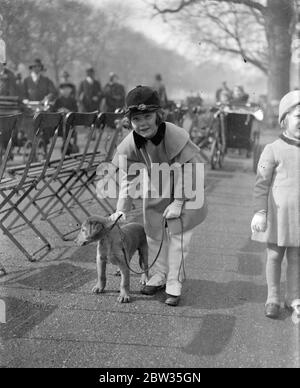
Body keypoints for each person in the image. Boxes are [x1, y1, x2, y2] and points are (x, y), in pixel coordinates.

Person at [99, 85, 207, 306]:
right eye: (136, 118)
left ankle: (174, 282)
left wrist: (178, 202)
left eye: (147, 116)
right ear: (130, 120)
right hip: (158, 189)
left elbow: (192, 170)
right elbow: (128, 178)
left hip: (187, 189)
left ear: (159, 114)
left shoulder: (174, 135)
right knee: (153, 233)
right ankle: (159, 274)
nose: (143, 123)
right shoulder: (132, 141)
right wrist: (122, 209)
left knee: (178, 237)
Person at [251, 90, 300, 319]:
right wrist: (260, 212)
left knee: (297, 259)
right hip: (278, 216)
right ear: (284, 120)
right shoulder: (272, 149)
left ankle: (293, 297)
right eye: (298, 116)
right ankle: (273, 297)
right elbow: (261, 184)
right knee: (273, 256)